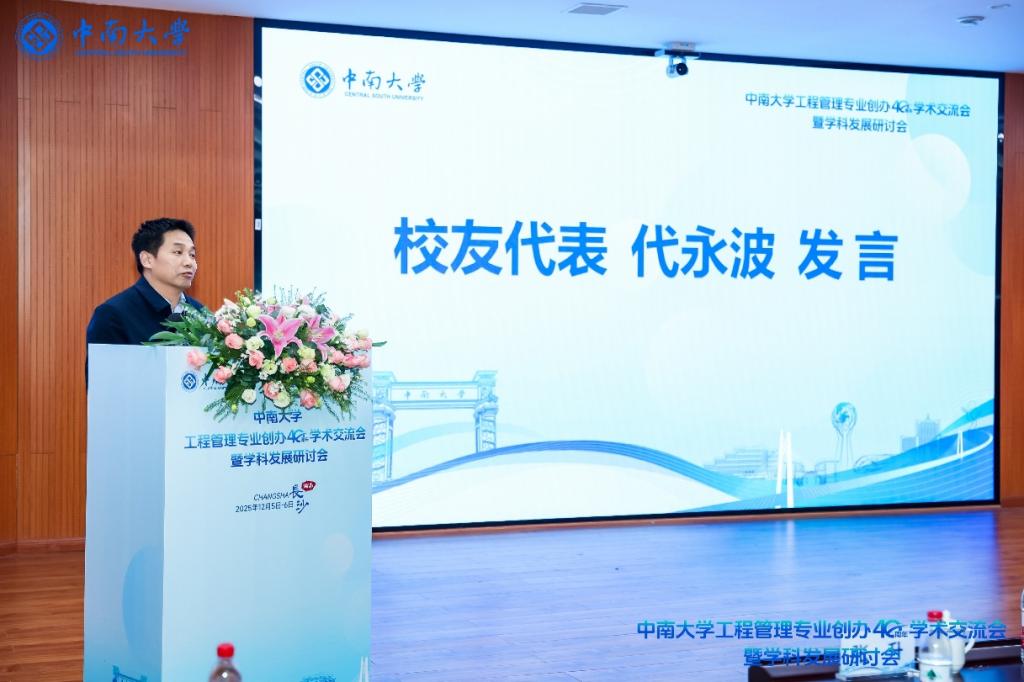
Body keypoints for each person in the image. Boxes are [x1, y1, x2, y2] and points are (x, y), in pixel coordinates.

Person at [86, 217, 203, 347]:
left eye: (192, 255)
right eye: (178, 252)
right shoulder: (113, 315)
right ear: (147, 260)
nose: (189, 262)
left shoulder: (201, 313)